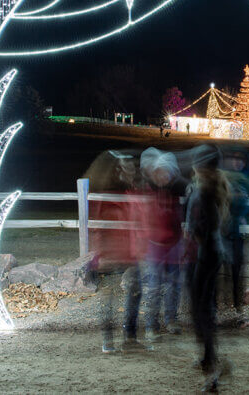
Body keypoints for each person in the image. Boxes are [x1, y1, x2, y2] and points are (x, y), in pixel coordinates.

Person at [84, 150, 149, 353]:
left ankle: (129, 337)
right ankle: (108, 339)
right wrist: (102, 252)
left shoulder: (131, 192)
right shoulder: (110, 195)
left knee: (134, 293)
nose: (134, 170)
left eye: (134, 167)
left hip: (129, 251)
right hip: (112, 253)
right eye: (129, 167)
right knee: (109, 296)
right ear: (119, 170)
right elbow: (99, 226)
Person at [185, 144, 231, 390]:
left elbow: (207, 226)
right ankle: (207, 357)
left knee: (201, 311)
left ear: (200, 166)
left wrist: (193, 235)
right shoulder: (204, 187)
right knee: (200, 309)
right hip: (206, 254)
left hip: (206, 256)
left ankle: (212, 368)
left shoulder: (205, 191)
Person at [140, 148, 187, 339]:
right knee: (154, 285)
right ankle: (151, 324)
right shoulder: (148, 190)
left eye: (165, 173)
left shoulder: (178, 190)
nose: (162, 177)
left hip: (174, 244)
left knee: (174, 284)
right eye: (158, 173)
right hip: (154, 245)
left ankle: (171, 319)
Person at [219, 145, 249, 328]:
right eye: (233, 158)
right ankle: (218, 311)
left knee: (237, 274)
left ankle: (238, 311)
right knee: (218, 274)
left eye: (241, 159)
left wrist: (248, 218)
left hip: (238, 236)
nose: (237, 163)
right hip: (218, 235)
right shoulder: (218, 178)